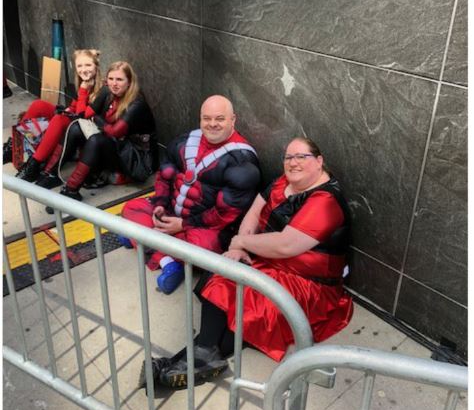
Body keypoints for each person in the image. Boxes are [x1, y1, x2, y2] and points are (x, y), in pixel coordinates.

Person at [142, 137, 353, 391]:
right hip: (269, 263)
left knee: (248, 311)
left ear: (319, 161)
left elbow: (286, 245)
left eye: (301, 157)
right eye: (288, 157)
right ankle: (193, 358)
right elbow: (254, 212)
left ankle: (175, 365)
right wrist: (239, 248)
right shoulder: (284, 182)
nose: (293, 162)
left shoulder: (326, 202)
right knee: (222, 273)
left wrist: (241, 242)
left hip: (306, 285)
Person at [121, 95, 261, 294]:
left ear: (233, 120)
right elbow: (165, 175)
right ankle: (167, 259)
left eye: (220, 119)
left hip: (204, 229)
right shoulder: (185, 140)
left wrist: (183, 225)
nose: (212, 124)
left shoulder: (242, 161)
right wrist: (160, 204)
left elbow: (226, 214)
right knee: (131, 208)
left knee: (203, 247)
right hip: (172, 213)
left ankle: (147, 245)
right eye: (207, 118)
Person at [46, 61, 158, 208]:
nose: (114, 84)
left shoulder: (137, 103)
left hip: (137, 158)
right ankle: (50, 173)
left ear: (129, 82)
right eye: (111, 79)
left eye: (119, 79)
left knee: (96, 140)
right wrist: (84, 91)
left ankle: (70, 190)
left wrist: (97, 119)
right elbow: (83, 115)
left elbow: (115, 132)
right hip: (118, 146)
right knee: (76, 128)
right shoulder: (108, 92)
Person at [16, 49, 102, 187]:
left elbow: (82, 116)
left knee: (59, 120)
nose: (83, 69)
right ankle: (19, 146)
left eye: (88, 65)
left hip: (85, 132)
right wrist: (67, 110)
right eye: (79, 66)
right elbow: (74, 107)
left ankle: (34, 165)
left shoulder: (100, 88)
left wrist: (83, 91)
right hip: (75, 120)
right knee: (38, 105)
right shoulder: (83, 83)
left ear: (96, 66)